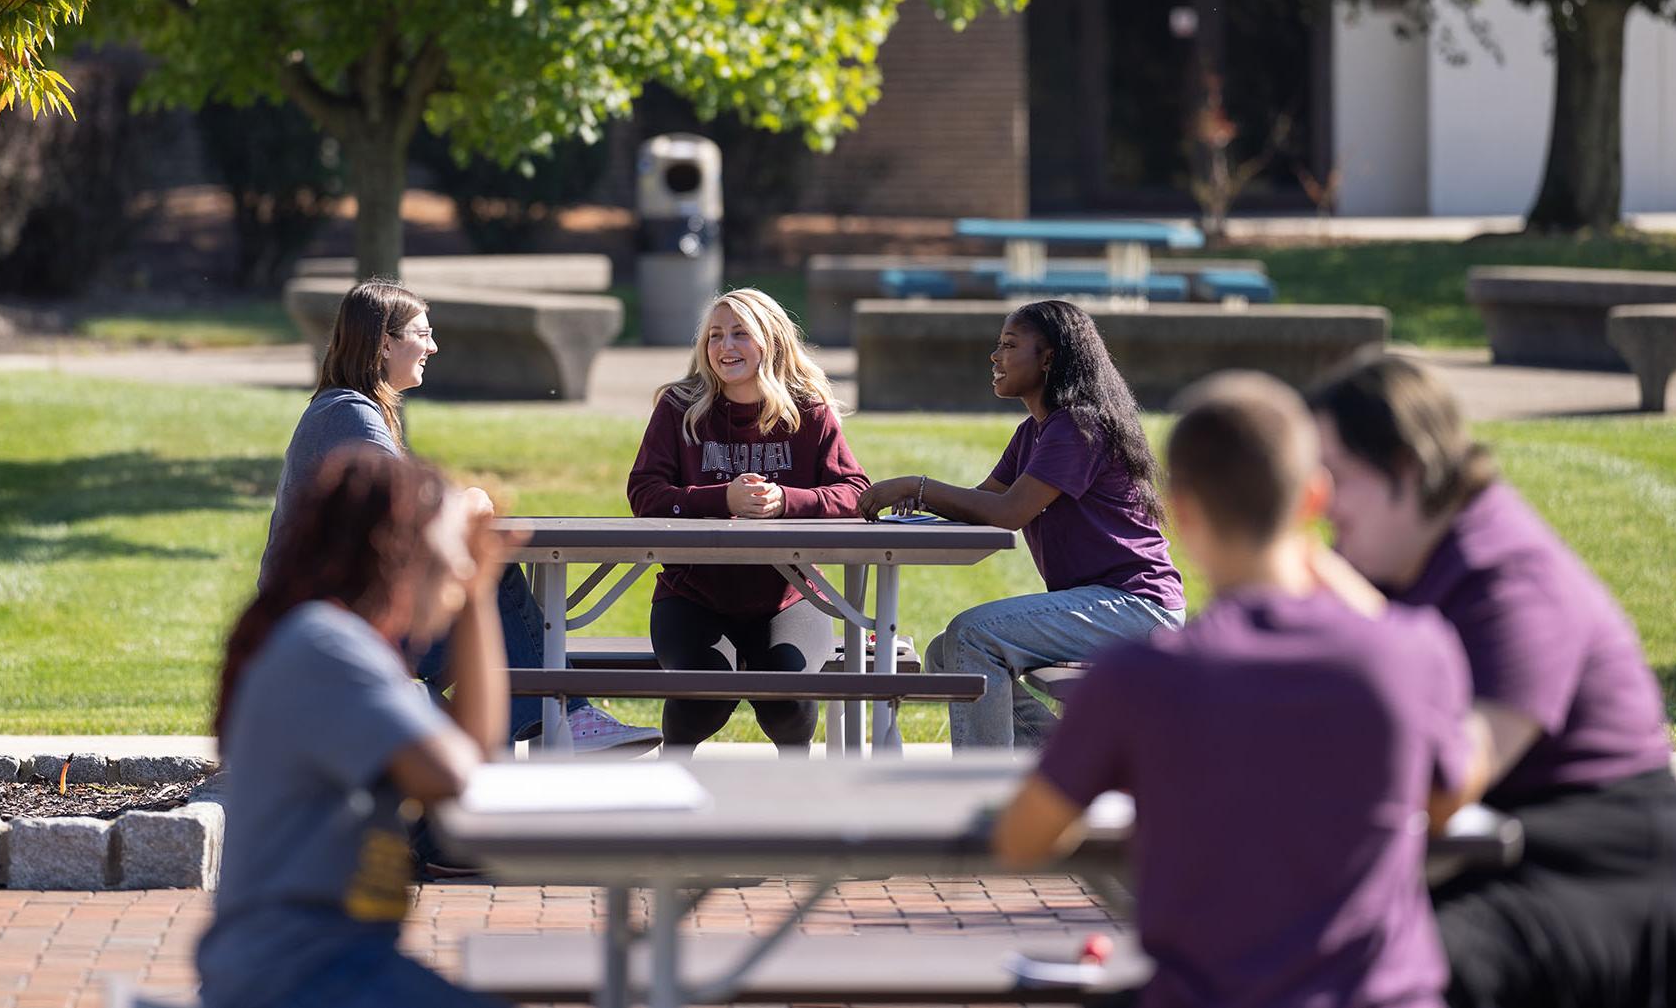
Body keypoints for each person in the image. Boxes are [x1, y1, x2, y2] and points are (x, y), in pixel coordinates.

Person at [997, 371, 1489, 1008]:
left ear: (1187, 512)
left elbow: (1023, 840)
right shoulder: (1414, 653)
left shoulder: (1136, 680)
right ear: (1314, 499)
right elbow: (1452, 793)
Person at [1308, 351, 1676, 1008]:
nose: (1321, 502)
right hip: (1486, 863)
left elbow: (1451, 784)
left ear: (1405, 469)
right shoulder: (1390, 562)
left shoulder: (1511, 577)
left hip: (1603, 877)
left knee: (1377, 980)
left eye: (1335, 475)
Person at [261, 279, 659, 754]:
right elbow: (410, 518)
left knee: (483, 590)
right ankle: (563, 718)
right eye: (422, 333)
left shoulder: (346, 408)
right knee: (492, 571)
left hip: (339, 610)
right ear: (385, 343)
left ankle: (550, 720)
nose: (433, 346)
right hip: (337, 619)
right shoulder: (349, 412)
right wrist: (468, 499)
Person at [200, 449, 514, 1008]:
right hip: (293, 976)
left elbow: (474, 753)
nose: (458, 567)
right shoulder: (326, 647)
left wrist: (476, 596)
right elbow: (453, 773)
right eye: (450, 552)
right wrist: (473, 593)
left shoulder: (346, 645)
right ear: (399, 551)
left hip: (333, 962)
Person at [855, 299, 1184, 750]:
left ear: (1048, 358)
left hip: (1137, 608)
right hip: (1102, 605)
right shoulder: (1035, 431)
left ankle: (986, 788)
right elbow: (985, 501)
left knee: (972, 635)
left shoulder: (1077, 427)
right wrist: (921, 505)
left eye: (1009, 345)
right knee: (946, 653)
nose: (995, 356)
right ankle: (1063, 757)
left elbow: (1009, 513)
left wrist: (919, 485)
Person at [625, 287, 868, 755]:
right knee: (701, 699)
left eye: (740, 334)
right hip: (693, 595)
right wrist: (724, 498)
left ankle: (794, 808)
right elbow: (645, 494)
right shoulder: (679, 407)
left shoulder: (810, 411)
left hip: (787, 596)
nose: (724, 347)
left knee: (788, 704)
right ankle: (670, 791)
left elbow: (856, 493)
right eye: (715, 335)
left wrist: (786, 501)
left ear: (771, 342)